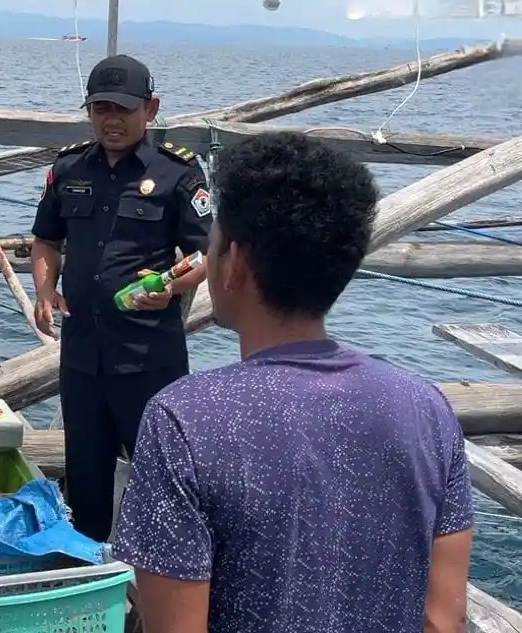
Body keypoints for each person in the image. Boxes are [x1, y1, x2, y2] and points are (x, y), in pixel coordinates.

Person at [111, 131, 474, 633]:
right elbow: (442, 619)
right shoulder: (427, 409)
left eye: (211, 243)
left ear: (234, 263)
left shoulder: (184, 420)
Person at [29, 54, 212, 543]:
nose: (111, 119)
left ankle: (156, 592)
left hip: (149, 358)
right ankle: (90, 583)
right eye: (100, 108)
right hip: (83, 358)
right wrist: (45, 290)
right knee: (84, 481)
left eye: (124, 109)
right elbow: (46, 239)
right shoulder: (68, 167)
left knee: (162, 484)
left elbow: (205, 255)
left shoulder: (178, 172)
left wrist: (172, 287)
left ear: (150, 109)